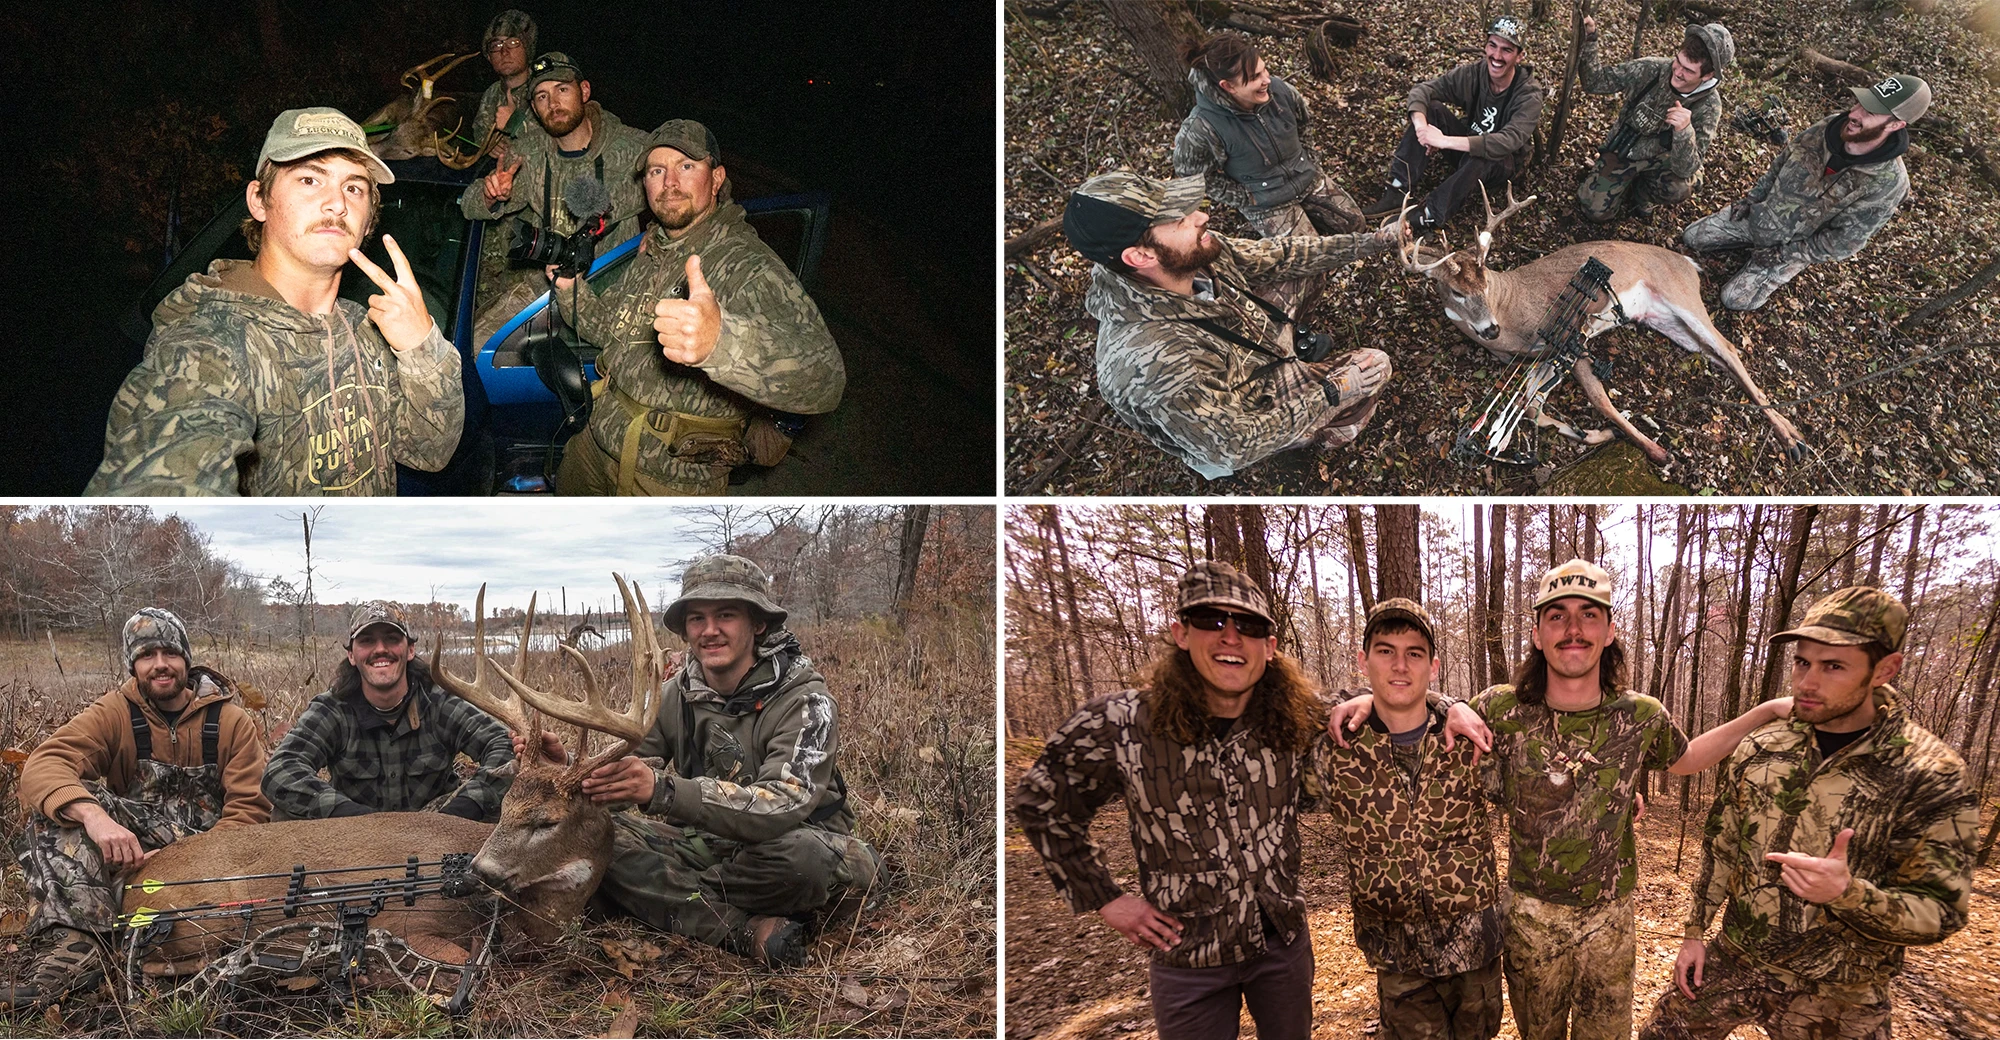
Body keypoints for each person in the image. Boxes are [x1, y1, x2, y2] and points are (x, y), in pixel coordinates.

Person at [1331, 559, 1799, 1040]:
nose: (1573, 630)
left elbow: (1686, 758)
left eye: (1589, 615)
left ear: (1610, 630)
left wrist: (1760, 713)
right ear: (1536, 634)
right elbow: (1422, 702)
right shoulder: (1502, 709)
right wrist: (1367, 701)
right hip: (1532, 920)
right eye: (1557, 616)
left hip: (1609, 923)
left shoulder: (1639, 715)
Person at [1639, 586, 1976, 1040]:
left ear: (1885, 670)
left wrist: (1848, 893)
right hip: (1737, 956)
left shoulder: (1928, 772)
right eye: (1802, 662)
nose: (1807, 682)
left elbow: (1942, 910)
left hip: (1840, 989)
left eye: (1833, 666)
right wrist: (1695, 931)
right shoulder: (1764, 746)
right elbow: (1722, 845)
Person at [1014, 561, 1321, 1040]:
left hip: (1280, 948)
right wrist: (1105, 899)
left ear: (1271, 646)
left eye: (1249, 626)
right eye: (1211, 621)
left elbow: (1385, 701)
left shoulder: (1295, 721)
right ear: (1180, 633)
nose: (1231, 637)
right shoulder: (1123, 725)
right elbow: (1039, 801)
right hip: (1187, 958)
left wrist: (1440, 708)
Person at [86, 108, 463, 496]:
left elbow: (430, 451)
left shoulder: (367, 329)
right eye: (310, 179)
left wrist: (422, 347)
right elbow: (161, 485)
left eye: (354, 187)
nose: (337, 203)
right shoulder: (210, 345)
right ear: (258, 200)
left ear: (369, 221)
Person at [541, 555, 879, 967]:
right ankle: (741, 930)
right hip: (707, 848)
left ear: (758, 624)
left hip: (797, 844)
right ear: (685, 629)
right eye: (697, 618)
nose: (710, 630)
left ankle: (660, 899)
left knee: (799, 861)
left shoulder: (807, 702)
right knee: (595, 834)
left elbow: (783, 805)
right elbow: (619, 780)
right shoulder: (672, 696)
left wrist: (664, 792)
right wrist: (569, 771)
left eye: (726, 615)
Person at [546, 120, 844, 495]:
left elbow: (826, 378)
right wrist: (570, 289)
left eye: (686, 167)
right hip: (594, 446)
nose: (669, 182)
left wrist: (723, 343)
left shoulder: (745, 264)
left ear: (717, 179)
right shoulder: (654, 247)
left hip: (666, 481)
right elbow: (611, 331)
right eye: (657, 170)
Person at [4, 610, 270, 1008]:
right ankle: (80, 945)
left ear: (186, 659)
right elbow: (45, 765)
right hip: (132, 850)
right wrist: (95, 818)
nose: (160, 665)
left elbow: (251, 810)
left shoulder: (231, 721)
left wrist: (184, 857)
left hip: (213, 857)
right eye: (147, 655)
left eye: (169, 653)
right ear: (133, 664)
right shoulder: (114, 712)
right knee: (55, 809)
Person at [1063, 170, 1397, 480]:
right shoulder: (1156, 361)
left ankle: (1291, 357)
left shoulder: (1192, 252)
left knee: (1301, 273)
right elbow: (1233, 447)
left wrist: (1375, 242)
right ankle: (1316, 438)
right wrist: (1330, 393)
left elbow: (1284, 255)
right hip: (1244, 414)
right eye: (1180, 219)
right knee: (1374, 366)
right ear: (1141, 257)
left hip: (1245, 357)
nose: (1201, 217)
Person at [1308, 599, 1504, 1040]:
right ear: (1363, 661)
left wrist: (1625, 792)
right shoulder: (1336, 749)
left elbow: (1540, 785)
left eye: (1414, 653)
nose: (1400, 665)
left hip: (1475, 951)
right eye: (1385, 651)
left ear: (1433, 666)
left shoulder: (1470, 740)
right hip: (1397, 957)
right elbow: (1267, 702)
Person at [1681, 74, 1928, 311]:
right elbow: (1781, 162)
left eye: (1869, 112)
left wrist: (1784, 254)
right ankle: (1749, 238)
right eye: (1860, 103)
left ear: (1896, 124)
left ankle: (1769, 264)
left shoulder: (1888, 184)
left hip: (1793, 247)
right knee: (1692, 237)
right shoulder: (1827, 127)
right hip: (1760, 216)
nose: (1854, 114)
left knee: (1735, 299)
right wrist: (1753, 198)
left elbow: (1843, 242)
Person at [459, 51, 649, 346]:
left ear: (584, 91)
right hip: (546, 288)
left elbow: (699, 192)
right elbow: (470, 204)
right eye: (542, 96)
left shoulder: (634, 148)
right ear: (534, 109)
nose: (553, 103)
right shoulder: (529, 153)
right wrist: (491, 194)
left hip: (615, 290)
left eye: (562, 89)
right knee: (472, 350)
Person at [261, 602, 515, 821]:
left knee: (502, 808)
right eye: (367, 641)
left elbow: (504, 745)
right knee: (286, 812)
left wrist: (464, 810)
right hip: (354, 837)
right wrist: (346, 813)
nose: (380, 649)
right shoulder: (333, 709)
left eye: (391, 639)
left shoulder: (438, 702)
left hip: (435, 832)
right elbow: (281, 770)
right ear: (351, 655)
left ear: (410, 650)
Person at [1172, 32, 1363, 313]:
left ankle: (1305, 226)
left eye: (1265, 70)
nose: (1267, 80)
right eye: (1255, 77)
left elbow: (1304, 123)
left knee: (1355, 226)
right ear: (1228, 87)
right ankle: (1283, 319)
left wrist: (1311, 160)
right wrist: (1246, 197)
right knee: (1311, 266)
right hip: (1267, 200)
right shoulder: (1202, 128)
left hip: (1305, 177)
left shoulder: (1280, 92)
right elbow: (1193, 175)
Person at [1360, 16, 1544, 231]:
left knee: (1485, 156)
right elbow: (1423, 90)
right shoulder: (1474, 74)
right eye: (1492, 46)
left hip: (1501, 165)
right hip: (1466, 149)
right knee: (1432, 109)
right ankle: (1397, 190)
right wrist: (1423, 130)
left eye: (1507, 50)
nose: (1496, 56)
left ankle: (1430, 214)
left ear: (1520, 56)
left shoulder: (1529, 94)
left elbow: (1507, 141)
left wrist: (1444, 141)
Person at [1574, 18, 1734, 222]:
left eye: (1689, 70)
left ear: (1707, 75)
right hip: (1624, 151)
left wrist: (1684, 132)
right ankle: (1621, 182)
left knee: (1681, 187)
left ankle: (1642, 194)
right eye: (1678, 61)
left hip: (1662, 162)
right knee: (1594, 211)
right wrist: (1590, 37)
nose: (1677, 72)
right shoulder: (1650, 69)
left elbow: (1686, 168)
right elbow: (1595, 83)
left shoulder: (1709, 106)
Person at [468, 10, 539, 162]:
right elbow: (480, 130)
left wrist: (516, 123)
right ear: (489, 55)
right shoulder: (492, 93)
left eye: (513, 43)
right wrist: (488, 144)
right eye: (496, 44)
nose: (504, 51)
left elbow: (558, 141)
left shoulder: (546, 88)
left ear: (528, 49)